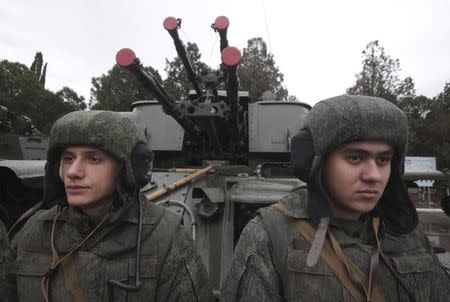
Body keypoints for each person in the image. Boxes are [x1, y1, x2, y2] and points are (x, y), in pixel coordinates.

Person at [221, 95, 450, 301]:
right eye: (354, 158)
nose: (373, 176)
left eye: (383, 160)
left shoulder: (408, 233)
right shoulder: (270, 235)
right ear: (316, 163)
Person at [0, 110, 213, 301]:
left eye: (93, 159)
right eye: (68, 158)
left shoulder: (166, 239)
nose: (73, 171)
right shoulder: (33, 231)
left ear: (128, 169)